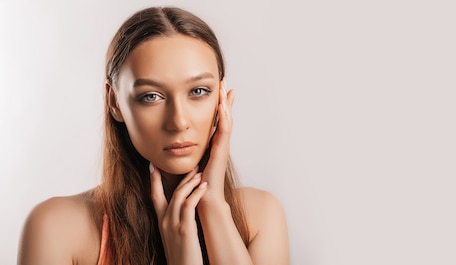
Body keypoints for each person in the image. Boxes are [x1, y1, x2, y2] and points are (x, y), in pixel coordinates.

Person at [17, 6, 289, 265]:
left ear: (221, 96)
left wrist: (214, 207)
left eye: (198, 91)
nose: (179, 122)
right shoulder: (57, 228)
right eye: (151, 96)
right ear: (114, 102)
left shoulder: (260, 216)